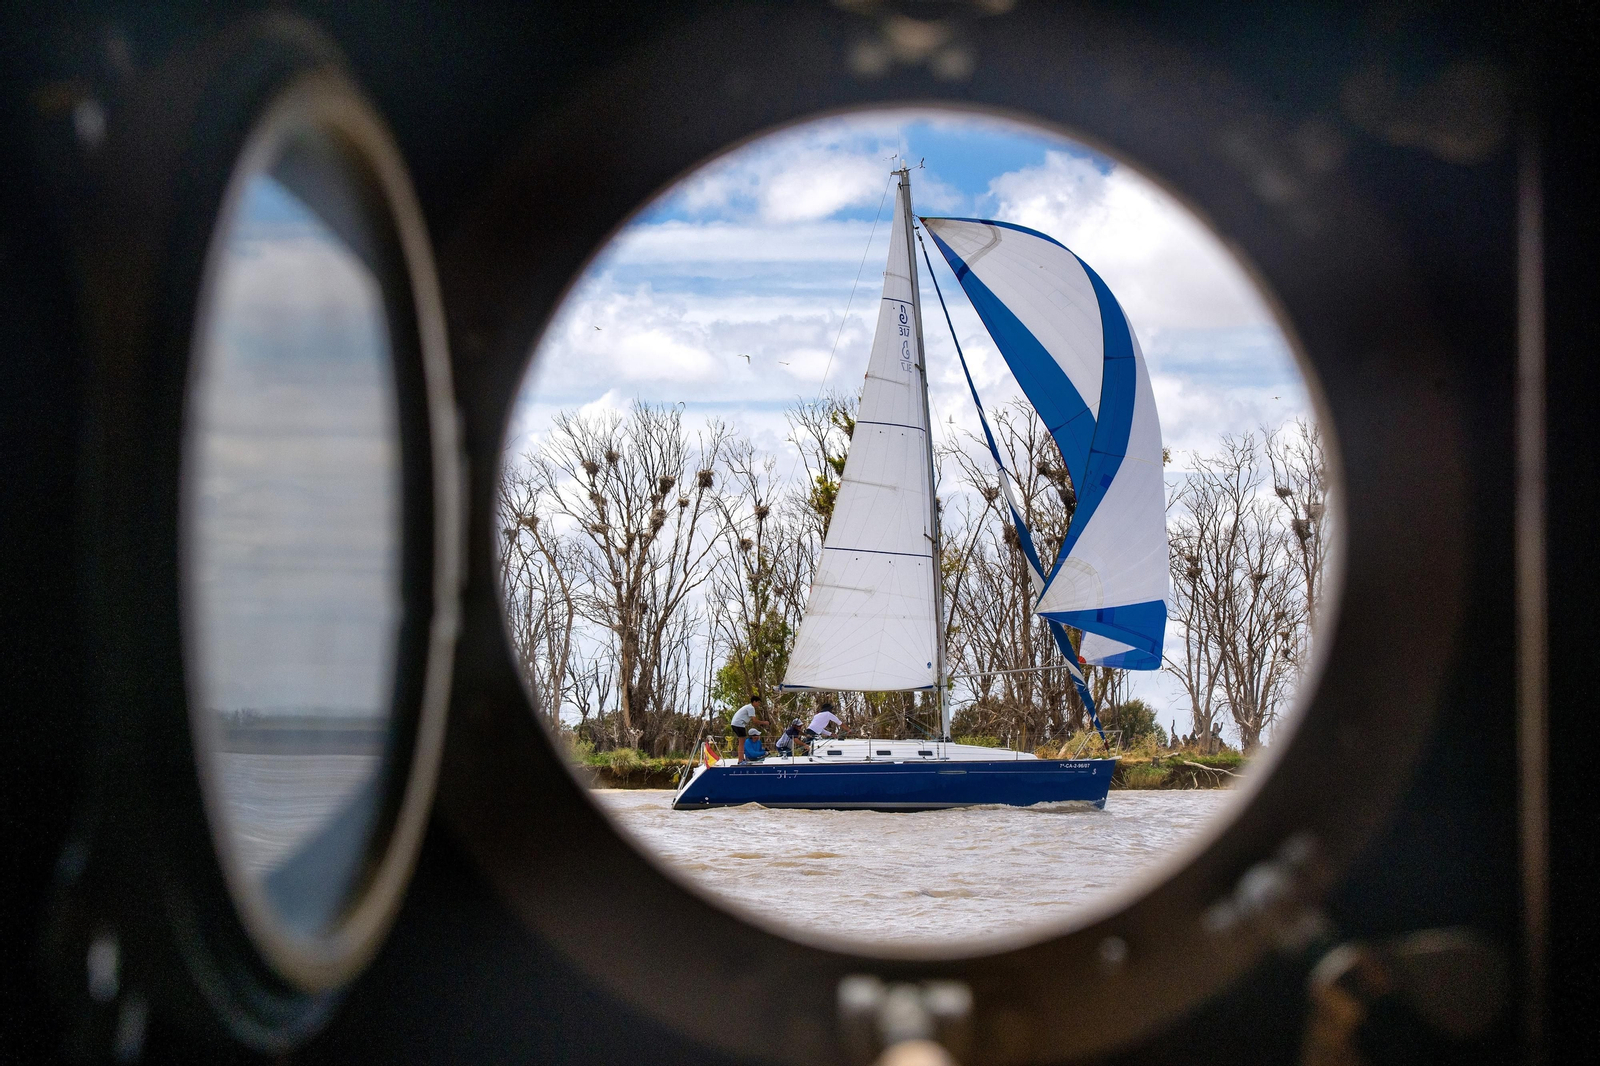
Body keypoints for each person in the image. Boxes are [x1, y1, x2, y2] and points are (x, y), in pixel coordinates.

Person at [730, 693, 764, 763]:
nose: (758, 704)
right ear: (754, 702)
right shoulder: (751, 708)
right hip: (739, 724)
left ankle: (741, 759)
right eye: (758, 702)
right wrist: (764, 722)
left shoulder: (748, 706)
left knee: (741, 742)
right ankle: (741, 760)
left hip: (736, 724)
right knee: (742, 742)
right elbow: (755, 721)